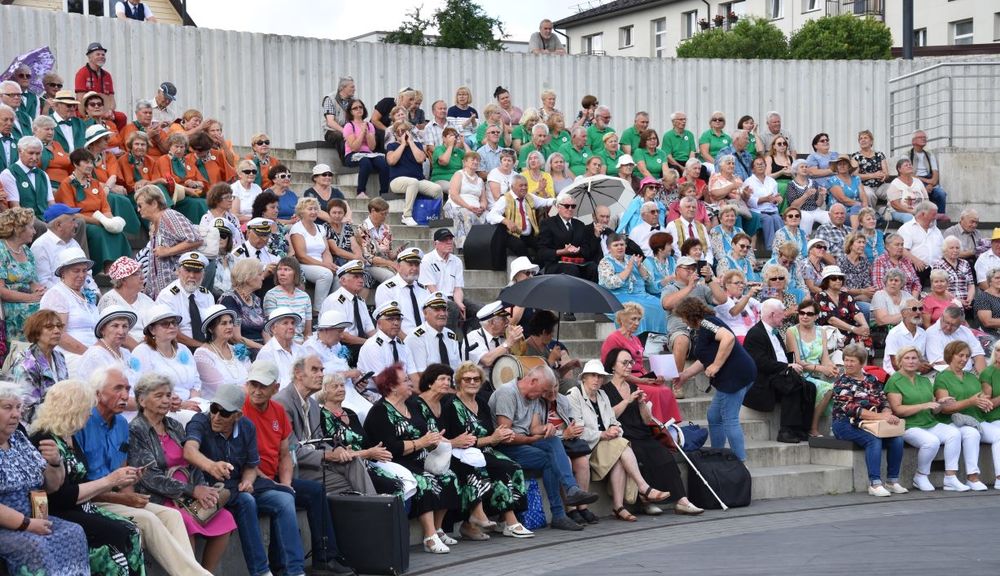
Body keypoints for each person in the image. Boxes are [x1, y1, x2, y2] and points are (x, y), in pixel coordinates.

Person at [239, 359, 356, 576]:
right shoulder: (241, 409)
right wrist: (277, 485)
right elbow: (244, 457)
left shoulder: (277, 410)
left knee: (313, 491)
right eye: (253, 384)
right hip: (250, 477)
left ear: (275, 387)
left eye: (263, 385)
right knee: (283, 498)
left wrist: (285, 484)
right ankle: (284, 567)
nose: (257, 390)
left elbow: (285, 453)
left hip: (275, 476)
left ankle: (325, 558)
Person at [29, 378, 146, 575]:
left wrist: (120, 480)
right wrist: (110, 480)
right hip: (58, 510)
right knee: (116, 534)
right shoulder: (43, 440)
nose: (90, 414)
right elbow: (59, 497)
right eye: (86, 409)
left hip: (81, 506)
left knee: (131, 530)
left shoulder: (69, 436)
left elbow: (82, 482)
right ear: (72, 409)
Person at [127, 374, 235, 572]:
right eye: (159, 396)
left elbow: (192, 464)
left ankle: (206, 572)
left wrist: (203, 489)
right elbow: (149, 478)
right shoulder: (136, 429)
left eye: (168, 395)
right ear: (142, 401)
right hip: (160, 497)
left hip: (189, 495)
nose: (166, 400)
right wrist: (192, 490)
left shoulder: (174, 426)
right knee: (182, 520)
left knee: (225, 517)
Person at [182, 383, 292, 576]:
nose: (216, 416)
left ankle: (293, 569)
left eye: (224, 413)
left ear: (237, 415)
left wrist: (248, 480)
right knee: (246, 501)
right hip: (210, 489)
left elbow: (251, 465)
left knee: (285, 498)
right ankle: (261, 571)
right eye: (214, 409)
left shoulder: (247, 426)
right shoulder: (200, 421)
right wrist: (211, 466)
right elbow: (189, 450)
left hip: (237, 486)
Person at [488, 363, 599, 531]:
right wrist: (531, 439)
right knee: (549, 460)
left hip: (525, 441)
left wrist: (546, 428)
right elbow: (505, 436)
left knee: (553, 440)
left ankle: (572, 489)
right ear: (533, 381)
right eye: (543, 391)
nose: (544, 395)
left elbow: (534, 428)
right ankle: (559, 514)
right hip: (505, 447)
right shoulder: (507, 393)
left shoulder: (533, 395)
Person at [364, 364, 462, 551]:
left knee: (450, 477)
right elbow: (390, 448)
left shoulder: (412, 404)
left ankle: (438, 528)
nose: (411, 383)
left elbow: (424, 433)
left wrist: (434, 440)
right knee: (425, 480)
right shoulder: (380, 411)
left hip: (419, 458)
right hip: (393, 462)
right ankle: (429, 537)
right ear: (392, 386)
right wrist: (421, 442)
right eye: (406, 380)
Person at [0, 380, 90, 575]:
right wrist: (26, 524)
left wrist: (55, 463)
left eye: (18, 407)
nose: (16, 414)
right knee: (34, 546)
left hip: (34, 515)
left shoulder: (19, 439)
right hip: (7, 524)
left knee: (74, 532)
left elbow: (50, 487)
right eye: (7, 407)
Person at [603, 348, 703, 515]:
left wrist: (642, 403)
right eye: (624, 363)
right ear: (613, 366)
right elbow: (608, 416)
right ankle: (646, 501)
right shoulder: (605, 390)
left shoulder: (633, 386)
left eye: (630, 362)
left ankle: (682, 501)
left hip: (641, 432)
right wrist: (627, 400)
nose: (629, 366)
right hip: (623, 435)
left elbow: (646, 419)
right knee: (640, 455)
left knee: (664, 455)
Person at [439, 362, 533, 535]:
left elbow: (490, 435)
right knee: (500, 468)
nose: (472, 382)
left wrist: (501, 437)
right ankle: (511, 523)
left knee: (513, 467)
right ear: (459, 382)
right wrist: (491, 439)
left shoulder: (482, 403)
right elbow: (461, 441)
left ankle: (500, 520)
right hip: (460, 454)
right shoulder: (450, 404)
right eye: (467, 379)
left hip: (484, 451)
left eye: (476, 379)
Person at [275, 354, 376, 496]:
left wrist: (338, 450)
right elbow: (291, 451)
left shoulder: (313, 405)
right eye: (314, 370)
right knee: (348, 484)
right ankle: (374, 505)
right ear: (298, 374)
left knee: (352, 460)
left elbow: (320, 441)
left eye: (322, 370)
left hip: (316, 462)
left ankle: (374, 505)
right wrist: (328, 455)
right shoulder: (283, 402)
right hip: (294, 467)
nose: (321, 375)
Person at [674, 297, 757, 461]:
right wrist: (685, 375)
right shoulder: (704, 326)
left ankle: (740, 463)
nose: (683, 321)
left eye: (683, 317)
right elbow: (704, 358)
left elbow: (728, 338)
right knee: (714, 416)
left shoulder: (707, 323)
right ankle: (718, 455)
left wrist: (716, 365)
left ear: (690, 315)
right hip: (736, 375)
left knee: (730, 419)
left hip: (734, 376)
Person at [885, 346, 968, 492]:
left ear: (919, 361)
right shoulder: (894, 381)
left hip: (929, 422)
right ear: (900, 361)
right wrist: (923, 406)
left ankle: (950, 478)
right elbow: (898, 410)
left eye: (914, 358)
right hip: (908, 426)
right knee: (931, 442)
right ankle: (921, 476)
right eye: (907, 358)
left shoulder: (924, 380)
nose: (911, 361)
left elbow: (933, 409)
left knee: (954, 433)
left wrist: (941, 404)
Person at [830, 344, 908, 497]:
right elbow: (851, 409)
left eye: (852, 361)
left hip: (871, 422)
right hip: (844, 423)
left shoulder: (871, 379)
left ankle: (892, 481)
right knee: (873, 440)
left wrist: (886, 412)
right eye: (846, 360)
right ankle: (875, 484)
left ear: (861, 363)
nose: (848, 364)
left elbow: (883, 400)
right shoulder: (842, 381)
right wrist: (881, 417)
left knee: (897, 439)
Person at [743, 299, 818, 443]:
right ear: (772, 314)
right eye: (782, 313)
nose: (785, 316)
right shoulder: (755, 334)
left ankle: (802, 429)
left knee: (810, 387)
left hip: (781, 375)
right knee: (792, 385)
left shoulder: (775, 332)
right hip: (764, 380)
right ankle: (786, 430)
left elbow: (781, 356)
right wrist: (787, 366)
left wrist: (791, 365)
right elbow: (761, 363)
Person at [934, 341, 993, 490]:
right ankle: (972, 477)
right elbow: (945, 408)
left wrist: (984, 402)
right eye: (960, 355)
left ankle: (998, 478)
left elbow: (979, 397)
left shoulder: (971, 377)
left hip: (975, 419)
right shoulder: (942, 377)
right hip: (953, 421)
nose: (964, 359)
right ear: (950, 355)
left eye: (967, 356)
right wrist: (970, 401)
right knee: (972, 434)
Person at [660, 255, 727, 381]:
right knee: (681, 340)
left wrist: (709, 280)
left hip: (702, 329)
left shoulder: (701, 288)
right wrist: (689, 287)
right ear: (677, 270)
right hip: (680, 330)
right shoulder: (670, 288)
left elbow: (722, 299)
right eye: (688, 269)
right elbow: (667, 304)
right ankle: (676, 381)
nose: (691, 271)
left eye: (693, 269)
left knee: (723, 338)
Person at [136, 185, 202, 297]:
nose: (138, 209)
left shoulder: (169, 216)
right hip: (163, 295)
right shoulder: (154, 225)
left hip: (179, 292)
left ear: (154, 203)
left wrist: (168, 251)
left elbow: (196, 240)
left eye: (140, 205)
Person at [38, 247, 100, 366]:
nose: (81, 275)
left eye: (84, 270)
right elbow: (59, 335)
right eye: (76, 271)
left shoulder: (85, 294)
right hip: (68, 355)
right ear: (63, 272)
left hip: (93, 352)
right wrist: (90, 355)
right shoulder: (57, 295)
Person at [786, 299, 840, 437]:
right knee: (827, 388)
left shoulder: (821, 331)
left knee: (841, 385)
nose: (805, 316)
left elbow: (825, 357)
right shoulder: (792, 331)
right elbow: (797, 361)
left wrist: (831, 367)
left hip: (817, 371)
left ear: (816, 316)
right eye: (802, 313)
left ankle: (836, 427)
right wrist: (821, 369)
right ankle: (813, 427)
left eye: (809, 314)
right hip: (800, 373)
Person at [597, 233, 666, 334]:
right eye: (616, 245)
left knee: (660, 306)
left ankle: (659, 338)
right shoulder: (605, 262)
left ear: (625, 246)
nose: (619, 247)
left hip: (641, 295)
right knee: (639, 310)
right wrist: (628, 269)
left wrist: (640, 267)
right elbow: (609, 283)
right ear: (609, 248)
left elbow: (649, 280)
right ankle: (638, 339)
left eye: (622, 244)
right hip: (618, 297)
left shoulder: (632, 258)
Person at [9, 310, 68, 424]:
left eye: (59, 326)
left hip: (59, 421)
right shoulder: (26, 363)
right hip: (33, 426)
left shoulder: (59, 357)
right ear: (36, 333)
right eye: (49, 327)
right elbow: (26, 410)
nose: (57, 331)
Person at [0, 207, 43, 341]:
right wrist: (31, 298)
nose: (34, 231)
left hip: (29, 301)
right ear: (18, 229)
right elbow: (1, 291)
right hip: (10, 306)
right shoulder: (1, 250)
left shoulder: (26, 250)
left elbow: (32, 282)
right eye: (31, 227)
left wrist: (40, 291)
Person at [386, 121, 440, 227]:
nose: (401, 133)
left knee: (437, 189)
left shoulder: (417, 145)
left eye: (403, 131)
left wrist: (410, 143)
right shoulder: (391, 146)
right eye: (398, 131)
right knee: (413, 182)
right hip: (397, 181)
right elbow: (391, 161)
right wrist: (402, 144)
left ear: (409, 132)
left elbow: (420, 159)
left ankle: (437, 215)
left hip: (418, 180)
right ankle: (407, 215)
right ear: (395, 134)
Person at [537, 191, 598, 280]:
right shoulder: (548, 223)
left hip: (578, 262)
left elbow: (587, 249)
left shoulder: (580, 225)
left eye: (573, 206)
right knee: (571, 269)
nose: (570, 209)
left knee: (593, 267)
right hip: (556, 263)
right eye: (566, 206)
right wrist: (562, 251)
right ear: (558, 207)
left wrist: (578, 250)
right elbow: (542, 251)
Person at [194, 305, 251, 399]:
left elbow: (252, 376)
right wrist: (252, 391)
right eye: (223, 323)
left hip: (247, 400)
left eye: (230, 322)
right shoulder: (202, 355)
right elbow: (221, 389)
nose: (229, 326)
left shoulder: (237, 349)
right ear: (211, 329)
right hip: (220, 405)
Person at [320, 260, 375, 355]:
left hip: (359, 345)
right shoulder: (335, 301)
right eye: (356, 277)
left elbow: (370, 330)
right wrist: (370, 343)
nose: (361, 280)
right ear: (343, 281)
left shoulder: (360, 301)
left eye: (361, 276)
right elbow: (343, 336)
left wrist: (378, 342)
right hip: (340, 348)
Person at [358, 301, 417, 383]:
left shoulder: (403, 345)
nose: (396, 323)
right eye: (391, 319)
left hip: (403, 388)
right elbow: (382, 383)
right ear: (379, 323)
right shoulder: (372, 345)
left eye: (398, 319)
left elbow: (413, 375)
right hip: (376, 390)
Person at [406, 292, 461, 374]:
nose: (442, 314)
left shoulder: (451, 335)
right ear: (425, 313)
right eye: (437, 310)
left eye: (444, 310)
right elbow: (421, 374)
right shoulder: (416, 338)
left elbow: (458, 369)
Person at [263, 257, 313, 344]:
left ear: (295, 273)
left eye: (286, 269)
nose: (282, 273)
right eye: (279, 269)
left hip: (302, 345)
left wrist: (306, 347)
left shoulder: (305, 297)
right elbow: (272, 330)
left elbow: (308, 333)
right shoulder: (271, 295)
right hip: (281, 344)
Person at [255, 307, 306, 388]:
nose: (291, 327)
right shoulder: (267, 353)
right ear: (273, 329)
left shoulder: (301, 349)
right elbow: (270, 386)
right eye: (285, 323)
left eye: (292, 323)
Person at [899, 201, 943, 287]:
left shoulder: (936, 230)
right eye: (933, 214)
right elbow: (902, 250)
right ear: (923, 214)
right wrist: (915, 260)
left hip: (937, 268)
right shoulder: (907, 228)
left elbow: (943, 248)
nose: (936, 217)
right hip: (917, 267)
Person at [883, 297, 930, 376]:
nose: (918, 312)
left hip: (918, 375)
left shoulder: (923, 333)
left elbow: (923, 359)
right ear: (903, 313)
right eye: (914, 309)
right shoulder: (894, 334)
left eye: (920, 309)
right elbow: (895, 364)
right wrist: (917, 367)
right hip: (897, 375)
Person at [745, 156, 783, 248]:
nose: (760, 166)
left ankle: (783, 246)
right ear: (753, 169)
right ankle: (770, 248)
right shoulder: (748, 181)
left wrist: (776, 200)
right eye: (757, 164)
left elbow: (774, 199)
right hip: (757, 211)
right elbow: (749, 201)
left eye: (762, 164)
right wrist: (765, 199)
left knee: (777, 219)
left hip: (771, 210)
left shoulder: (772, 181)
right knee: (768, 219)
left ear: (766, 166)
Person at [713, 270, 763, 339]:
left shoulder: (748, 299)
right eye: (737, 283)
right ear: (727, 285)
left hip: (753, 334)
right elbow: (733, 312)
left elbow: (763, 309)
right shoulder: (723, 300)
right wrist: (748, 295)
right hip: (735, 337)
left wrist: (771, 296)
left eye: (742, 283)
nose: (741, 285)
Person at [907, 130, 947, 216]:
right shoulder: (906, 155)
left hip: (929, 183)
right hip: (914, 182)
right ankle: (918, 217)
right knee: (917, 194)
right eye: (920, 137)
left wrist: (930, 184)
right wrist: (924, 183)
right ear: (913, 141)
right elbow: (907, 175)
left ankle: (940, 217)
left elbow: (935, 176)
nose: (924, 139)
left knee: (941, 193)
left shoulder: (930, 155)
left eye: (925, 137)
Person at [873, 233, 922, 297]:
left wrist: (913, 298)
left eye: (902, 245)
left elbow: (916, 282)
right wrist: (897, 299)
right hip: (889, 298)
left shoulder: (906, 261)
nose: (900, 247)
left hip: (910, 297)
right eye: (897, 245)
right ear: (887, 247)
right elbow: (879, 285)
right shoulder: (880, 261)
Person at [321, 76, 355, 157]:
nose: (354, 89)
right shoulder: (330, 99)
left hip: (349, 130)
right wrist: (345, 131)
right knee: (340, 136)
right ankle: (348, 160)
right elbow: (330, 122)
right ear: (343, 88)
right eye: (352, 87)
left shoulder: (354, 100)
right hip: (332, 131)